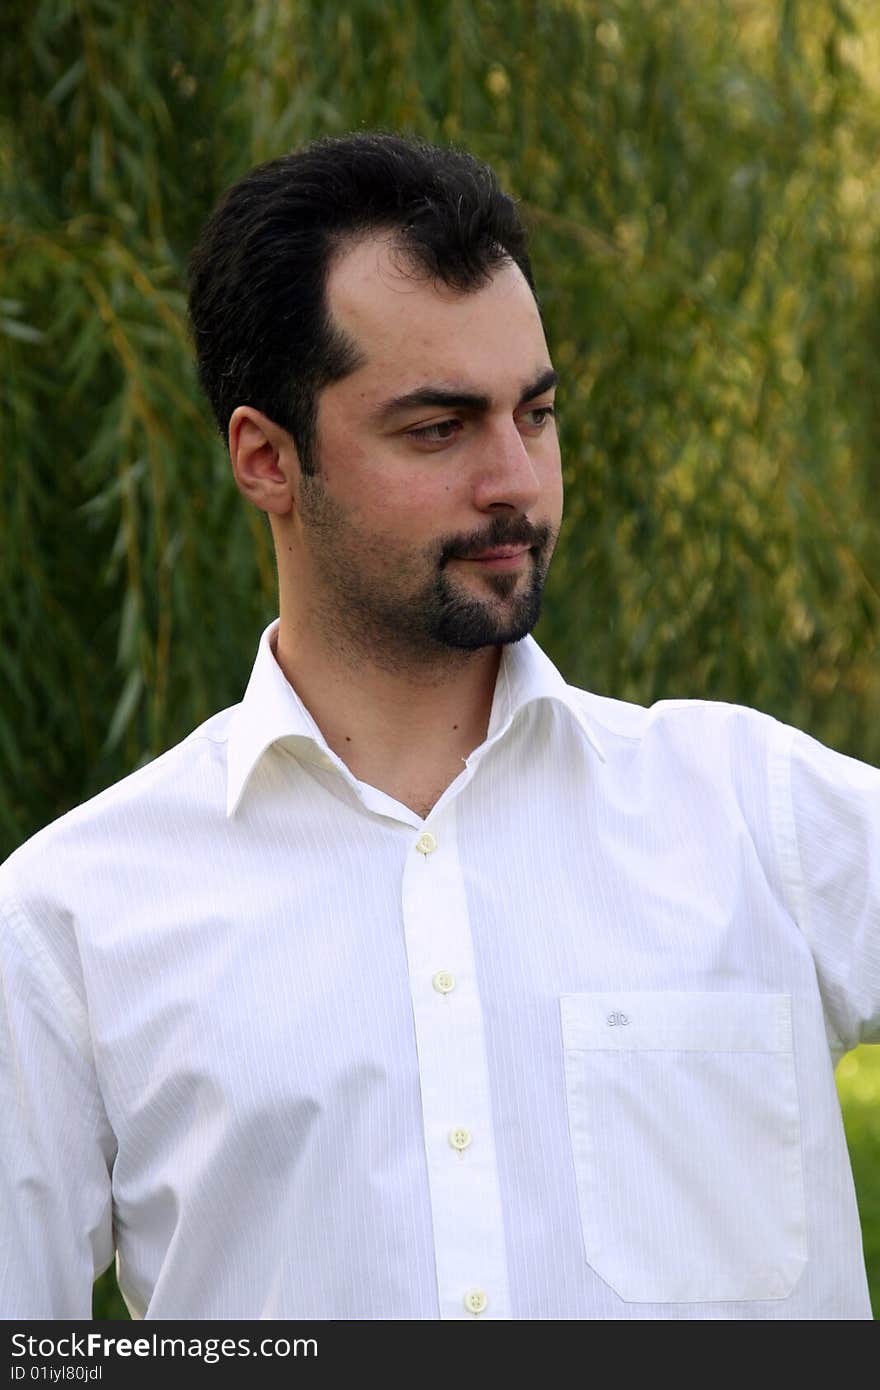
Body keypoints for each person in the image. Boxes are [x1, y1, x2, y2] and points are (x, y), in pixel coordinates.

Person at [1, 131, 877, 1323]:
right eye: (438, 428)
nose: (515, 478)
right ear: (266, 458)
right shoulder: (71, 922)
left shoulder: (756, 811)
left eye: (538, 412)